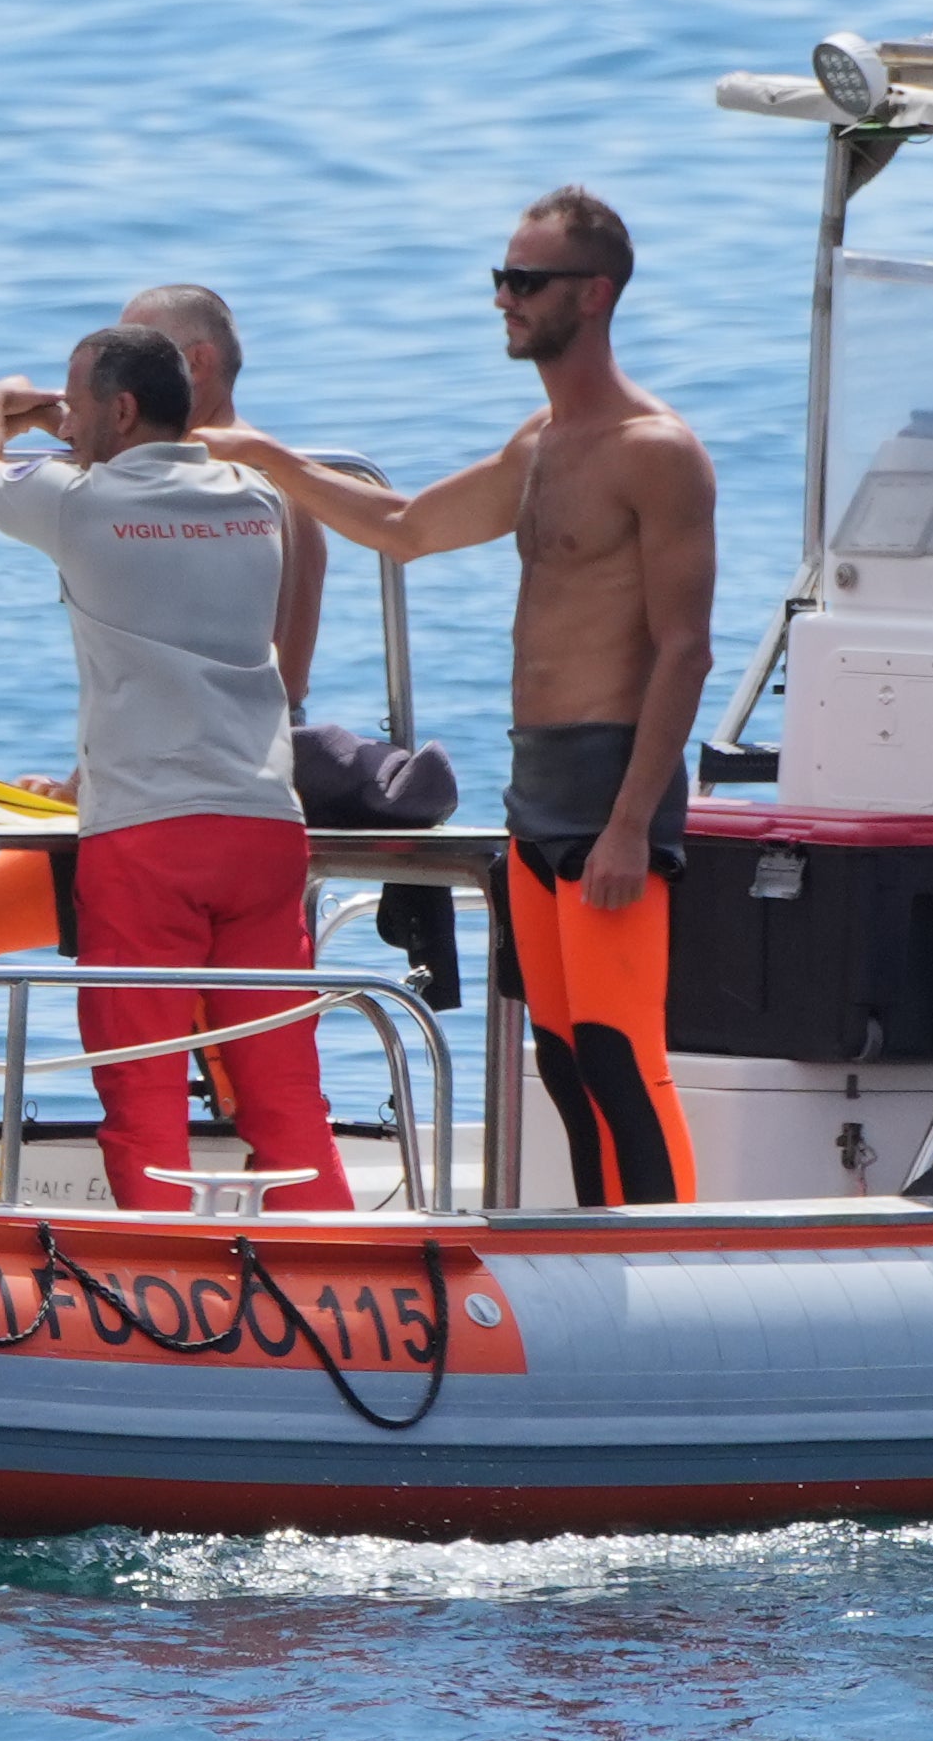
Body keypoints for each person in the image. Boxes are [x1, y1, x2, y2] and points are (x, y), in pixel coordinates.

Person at [207, 186, 714, 1207]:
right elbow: (403, 524)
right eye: (501, 278)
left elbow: (685, 650)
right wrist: (269, 459)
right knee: (568, 1066)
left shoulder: (657, 452)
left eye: (527, 281)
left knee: (624, 1058)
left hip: (614, 788)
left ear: (597, 293)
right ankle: (601, 1254)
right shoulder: (541, 443)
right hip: (537, 787)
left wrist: (626, 826)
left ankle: (675, 1267)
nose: (504, 300)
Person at [0, 320, 349, 1215]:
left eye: (79, 405)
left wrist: (5, 403)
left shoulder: (79, 505)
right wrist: (88, 427)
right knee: (283, 1093)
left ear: (120, 410)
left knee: (144, 1097)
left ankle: (163, 1288)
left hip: (150, 840)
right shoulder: (257, 498)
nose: (69, 423)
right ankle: (329, 1264)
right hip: (264, 830)